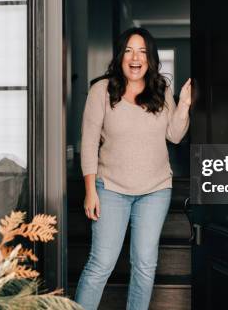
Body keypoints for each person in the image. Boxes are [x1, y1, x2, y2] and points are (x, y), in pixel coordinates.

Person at [74, 27, 191, 310]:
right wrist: (91, 191)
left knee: (145, 265)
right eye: (129, 50)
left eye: (142, 51)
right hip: (111, 188)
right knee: (100, 264)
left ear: (150, 58)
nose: (135, 57)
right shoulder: (100, 90)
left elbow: (174, 135)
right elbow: (89, 143)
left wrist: (184, 104)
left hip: (155, 189)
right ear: (120, 56)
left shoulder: (161, 90)